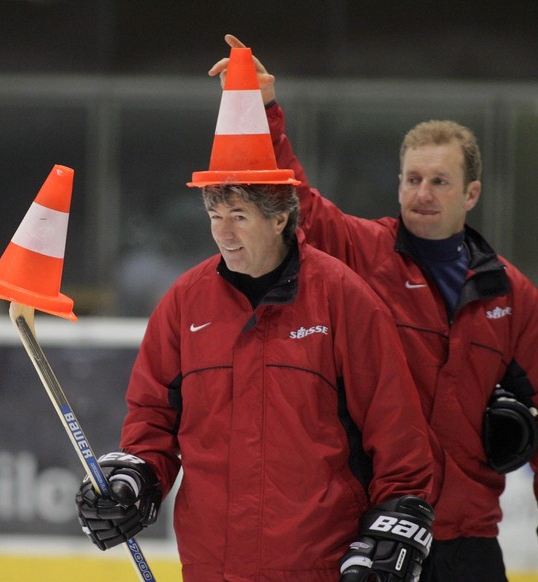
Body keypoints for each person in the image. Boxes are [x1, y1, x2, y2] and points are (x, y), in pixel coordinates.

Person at [75, 46, 436, 582]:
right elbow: (153, 424)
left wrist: (396, 523)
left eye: (239, 215)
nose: (222, 231)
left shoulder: (343, 298)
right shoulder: (184, 303)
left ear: (280, 218)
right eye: (215, 214)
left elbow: (398, 441)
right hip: (211, 569)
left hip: (317, 568)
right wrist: (135, 479)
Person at [208, 34, 538, 582]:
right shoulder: (366, 253)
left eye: (440, 181)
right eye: (413, 180)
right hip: (381, 533)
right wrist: (264, 109)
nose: (423, 193)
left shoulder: (512, 295)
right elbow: (302, 205)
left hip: (470, 537)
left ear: (472, 193)